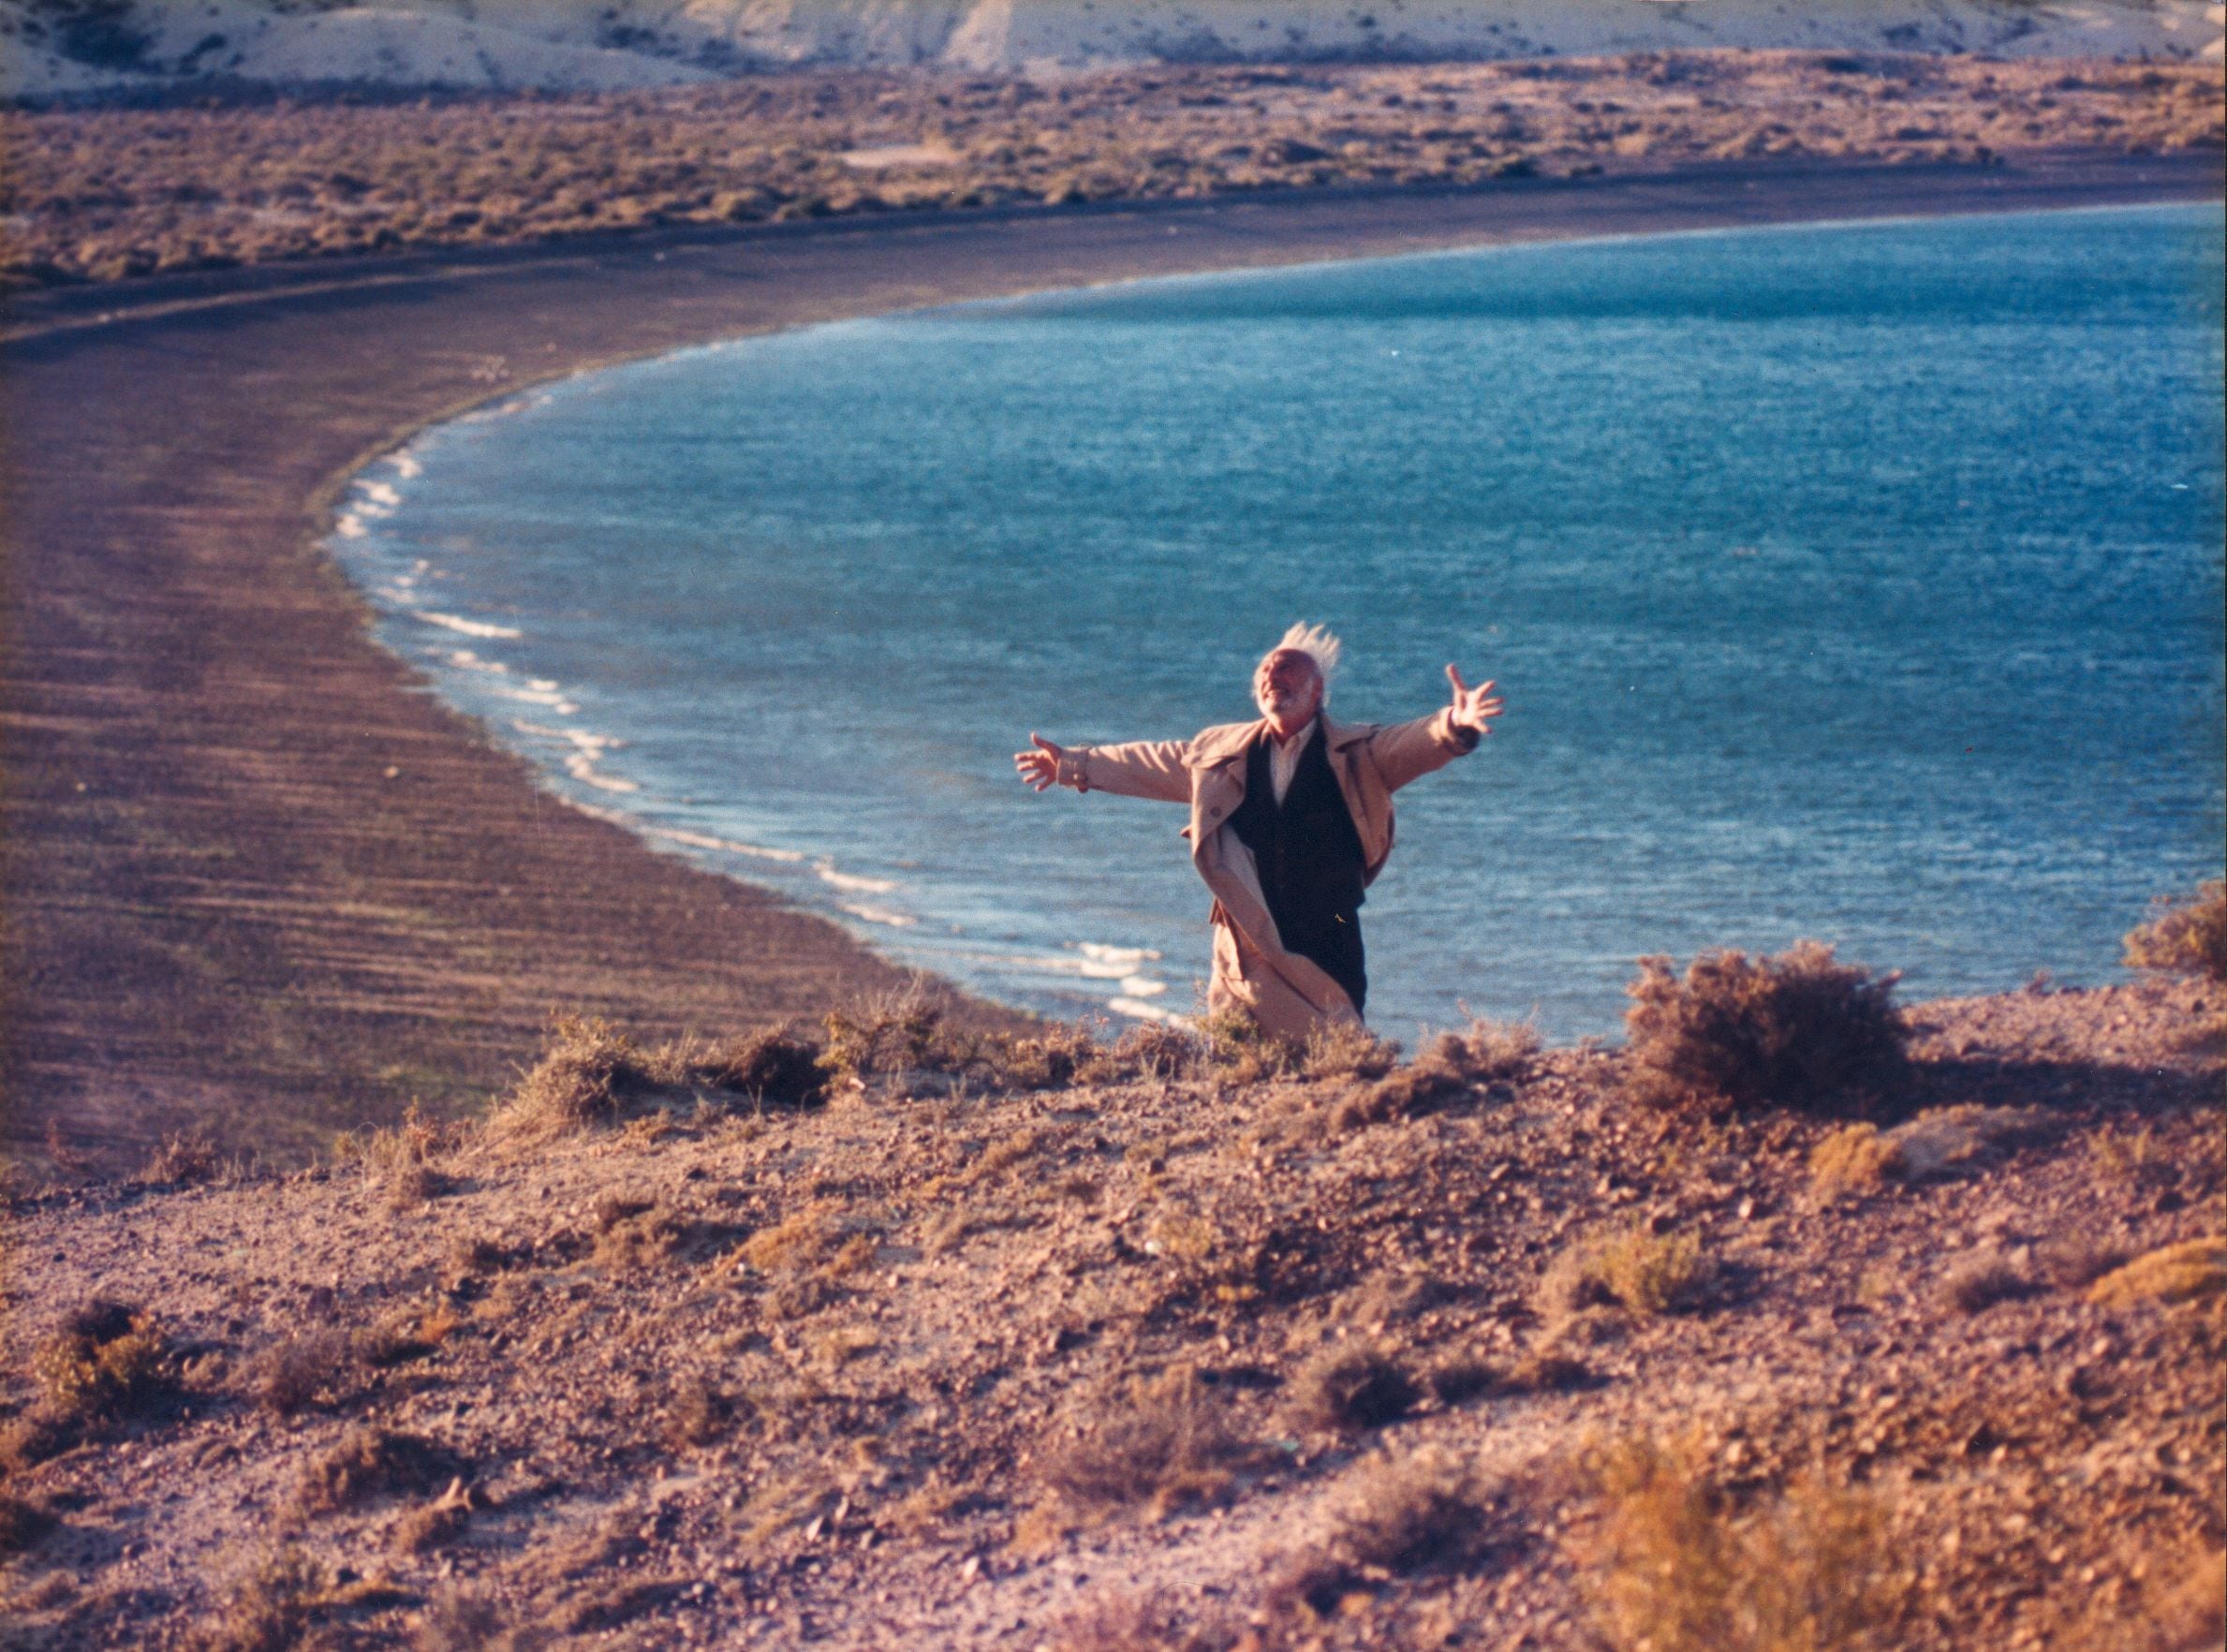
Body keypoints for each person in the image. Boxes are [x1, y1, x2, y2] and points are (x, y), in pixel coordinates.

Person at [1013, 624, 1502, 1038]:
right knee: (1240, 1045)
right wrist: (1073, 764)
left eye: (1288, 668)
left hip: (1329, 925)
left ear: (1318, 692)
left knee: (1337, 1039)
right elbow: (1153, 761)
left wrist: (1456, 724)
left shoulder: (1358, 754)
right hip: (1248, 928)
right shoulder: (1221, 753)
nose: (1274, 675)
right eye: (1267, 670)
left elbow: (1413, 742)